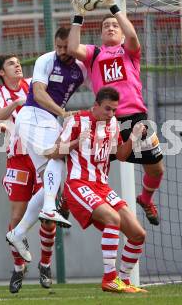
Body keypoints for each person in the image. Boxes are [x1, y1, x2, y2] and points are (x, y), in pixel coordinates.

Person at [68, 0, 165, 226]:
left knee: (157, 170)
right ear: (100, 34)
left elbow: (132, 37)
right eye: (105, 26)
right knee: (81, 162)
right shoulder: (95, 53)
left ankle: (145, 198)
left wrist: (114, 6)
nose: (110, 27)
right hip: (105, 121)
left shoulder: (129, 51)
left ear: (120, 33)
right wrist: (78, 15)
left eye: (114, 25)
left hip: (135, 119)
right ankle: (62, 199)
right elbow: (72, 48)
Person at [48, 86, 147, 293]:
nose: (111, 114)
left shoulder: (112, 125)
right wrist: (76, 142)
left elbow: (119, 155)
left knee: (138, 234)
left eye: (114, 110)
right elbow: (54, 153)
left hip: (102, 186)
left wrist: (134, 138)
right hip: (78, 184)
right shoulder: (76, 121)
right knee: (113, 219)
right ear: (96, 105)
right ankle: (109, 279)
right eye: (107, 109)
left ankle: (124, 280)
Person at [5, 26, 89, 260]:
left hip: (46, 120)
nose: (62, 51)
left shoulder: (82, 67)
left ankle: (18, 232)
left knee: (51, 177)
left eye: (66, 47)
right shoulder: (46, 60)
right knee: (60, 156)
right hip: (35, 114)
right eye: (59, 46)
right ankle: (51, 208)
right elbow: (39, 93)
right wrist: (63, 113)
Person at [0, 55, 56, 293]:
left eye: (18, 62)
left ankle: (46, 264)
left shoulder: (33, 83)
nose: (17, 65)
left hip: (40, 154)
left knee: (48, 215)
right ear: (1, 72)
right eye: (11, 64)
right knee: (16, 217)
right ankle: (19, 268)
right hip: (17, 159)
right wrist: (16, 103)